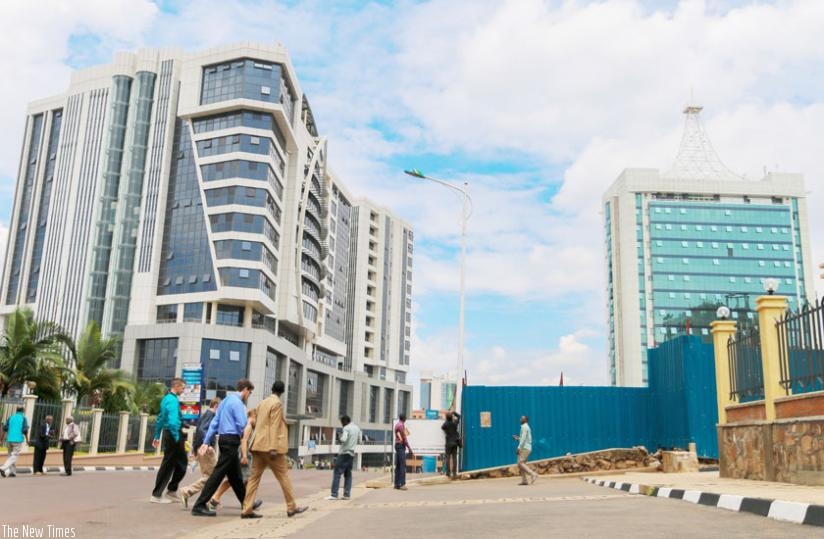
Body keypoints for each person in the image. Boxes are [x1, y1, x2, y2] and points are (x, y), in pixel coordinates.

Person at [241, 380, 308, 519]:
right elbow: (274, 425)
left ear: (272, 389)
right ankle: (291, 507)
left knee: (253, 478)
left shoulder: (263, 402)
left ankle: (247, 509)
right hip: (269, 447)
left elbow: (254, 418)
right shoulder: (276, 404)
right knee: (283, 476)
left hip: (257, 445)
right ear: (282, 391)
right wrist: (273, 447)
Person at [191, 379, 254, 517]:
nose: (249, 395)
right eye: (250, 392)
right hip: (231, 440)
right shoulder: (238, 403)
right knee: (217, 475)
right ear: (245, 389)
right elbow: (242, 423)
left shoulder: (225, 401)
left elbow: (215, 423)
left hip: (224, 440)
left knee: (236, 477)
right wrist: (247, 424)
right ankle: (199, 505)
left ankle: (247, 504)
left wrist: (206, 441)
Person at [211, 409, 262, 512]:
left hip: (240, 452)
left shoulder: (245, 425)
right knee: (236, 479)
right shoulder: (248, 426)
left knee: (244, 479)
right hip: (242, 453)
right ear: (253, 416)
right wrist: (244, 456)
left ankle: (248, 501)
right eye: (257, 419)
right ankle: (216, 497)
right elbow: (244, 440)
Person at [150, 377, 188, 503]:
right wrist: (177, 437)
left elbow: (161, 419)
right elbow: (172, 422)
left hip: (170, 433)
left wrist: (157, 436)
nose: (183, 390)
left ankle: (171, 491)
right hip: (174, 434)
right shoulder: (172, 400)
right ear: (176, 386)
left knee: (179, 463)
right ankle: (157, 495)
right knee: (171, 464)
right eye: (183, 388)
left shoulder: (166, 398)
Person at [179, 397, 221, 508]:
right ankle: (187, 491)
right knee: (212, 477)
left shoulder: (205, 415)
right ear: (216, 406)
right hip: (206, 449)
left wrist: (197, 449)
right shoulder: (210, 415)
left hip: (201, 448)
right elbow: (203, 430)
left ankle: (206, 501)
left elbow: (200, 430)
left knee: (209, 476)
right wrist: (208, 445)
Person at [325, 415, 360, 500]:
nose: (342, 424)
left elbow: (344, 439)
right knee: (348, 475)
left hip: (344, 453)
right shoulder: (357, 428)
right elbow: (358, 439)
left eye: (342, 422)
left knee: (337, 473)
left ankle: (334, 494)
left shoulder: (346, 428)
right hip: (351, 454)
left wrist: (339, 437)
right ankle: (346, 494)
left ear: (345, 421)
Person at [0, 406, 29, 478]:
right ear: (22, 411)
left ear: (16, 410)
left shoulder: (11, 417)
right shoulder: (23, 418)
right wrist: (27, 440)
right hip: (17, 440)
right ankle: (3, 468)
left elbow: (5, 429)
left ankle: (12, 472)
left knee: (11, 456)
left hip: (9, 439)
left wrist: (1, 439)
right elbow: (25, 430)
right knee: (14, 456)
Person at [513, 415, 538, 485]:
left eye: (522, 418)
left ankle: (533, 474)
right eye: (520, 418)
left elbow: (523, 439)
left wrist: (518, 447)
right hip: (526, 447)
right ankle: (524, 481)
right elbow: (524, 438)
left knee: (520, 463)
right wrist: (518, 438)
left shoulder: (524, 427)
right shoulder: (526, 427)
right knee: (521, 464)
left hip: (525, 448)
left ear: (525, 420)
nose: (520, 419)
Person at [393, 413, 413, 490]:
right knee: (402, 465)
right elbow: (404, 438)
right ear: (404, 418)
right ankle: (402, 484)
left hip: (397, 445)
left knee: (398, 465)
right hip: (401, 446)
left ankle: (396, 484)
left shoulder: (397, 424)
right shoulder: (401, 426)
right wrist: (409, 448)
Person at [441, 412, 460, 479]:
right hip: (455, 442)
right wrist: (453, 413)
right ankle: (454, 473)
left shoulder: (446, 424)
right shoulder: (455, 423)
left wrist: (447, 420)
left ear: (446, 418)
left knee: (448, 458)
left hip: (448, 443)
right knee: (454, 458)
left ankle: (448, 473)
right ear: (452, 417)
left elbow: (442, 427)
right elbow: (459, 416)